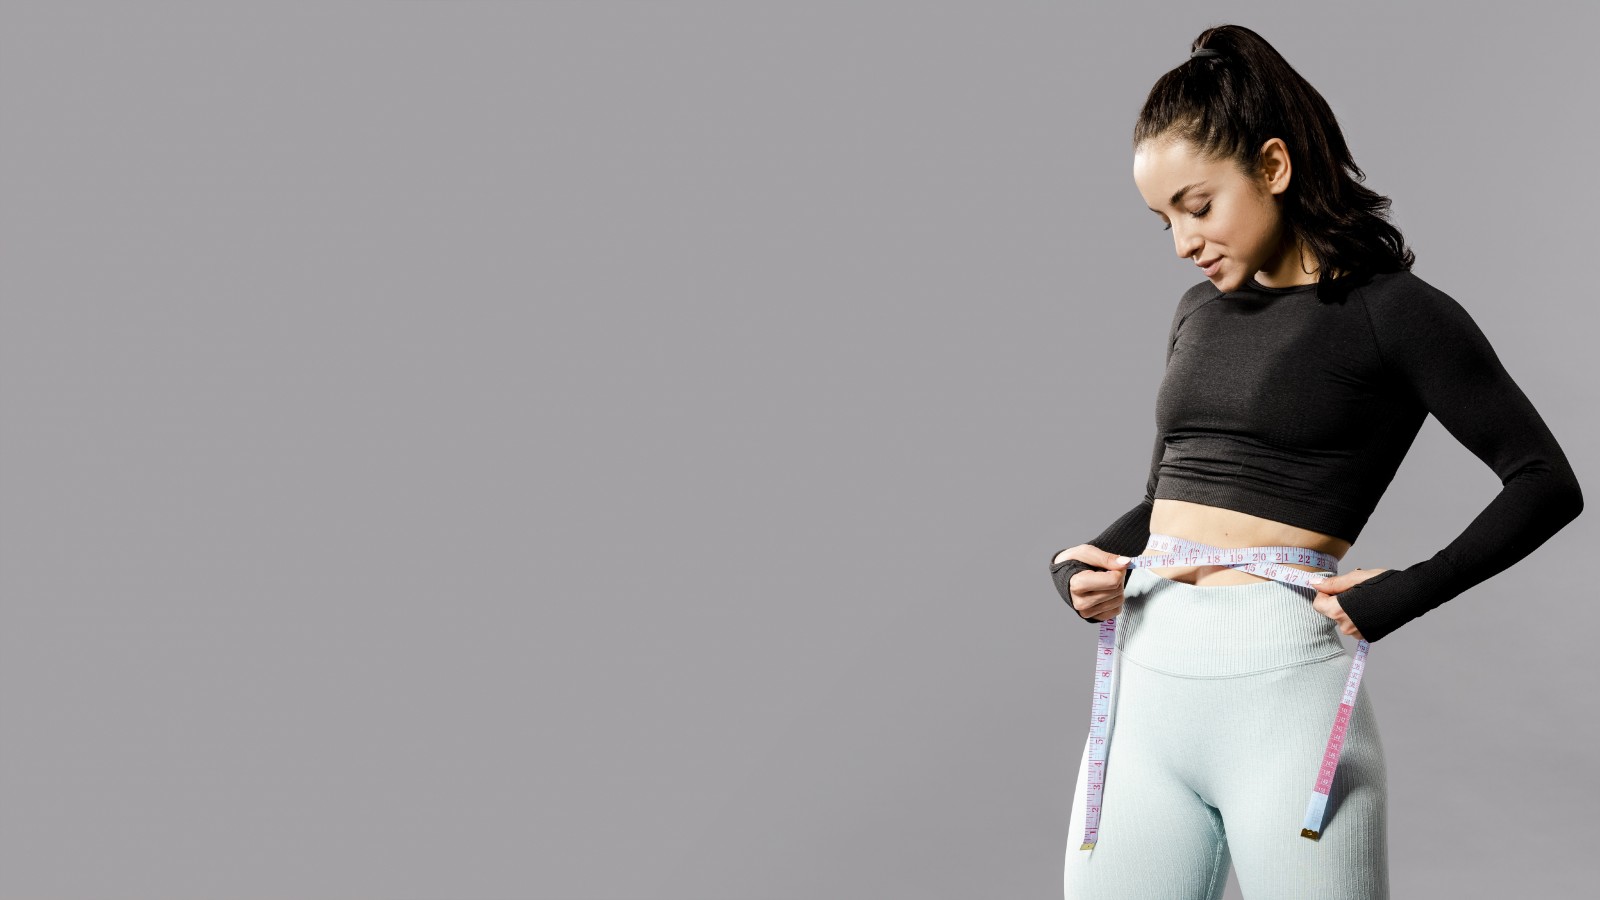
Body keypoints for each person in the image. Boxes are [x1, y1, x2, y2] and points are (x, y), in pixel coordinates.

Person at [1049, 24, 1583, 900]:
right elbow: (1166, 497)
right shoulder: (1196, 312)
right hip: (1144, 693)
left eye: (1198, 204)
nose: (1183, 241)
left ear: (1273, 166)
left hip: (1284, 699)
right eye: (1163, 219)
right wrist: (1076, 563)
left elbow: (1545, 483)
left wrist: (1407, 593)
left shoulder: (1395, 313)